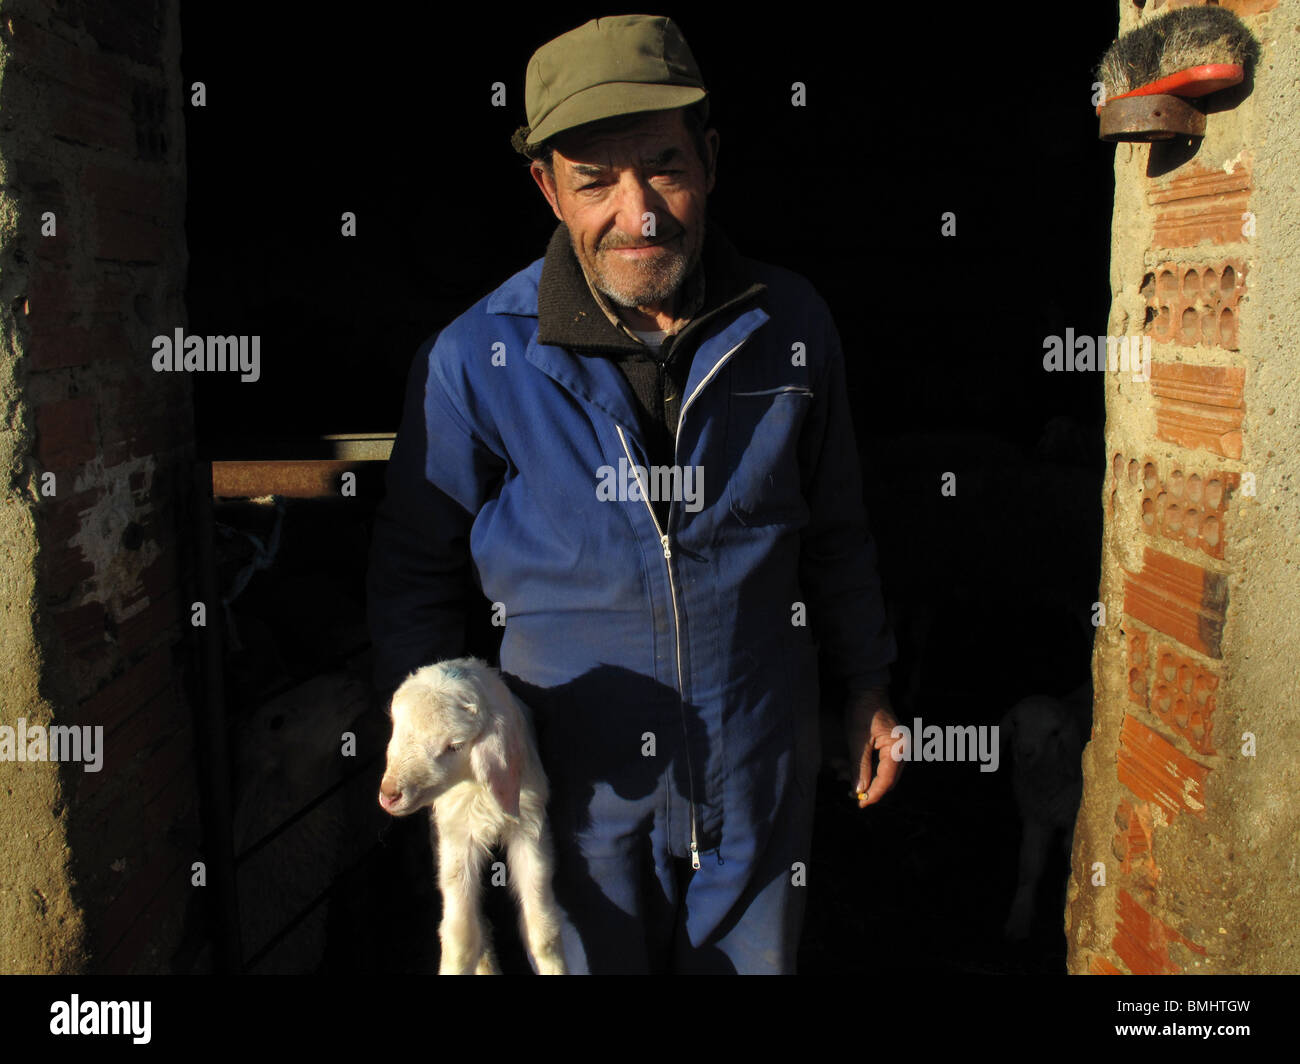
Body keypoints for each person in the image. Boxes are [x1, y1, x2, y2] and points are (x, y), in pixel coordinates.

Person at [367, 14, 901, 974]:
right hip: (570, 777)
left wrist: (866, 682)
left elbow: (837, 526)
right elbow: (416, 571)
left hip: (758, 760)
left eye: (664, 165)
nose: (639, 210)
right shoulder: (475, 358)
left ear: (711, 158)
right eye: (594, 181)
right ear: (547, 189)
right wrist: (435, 750)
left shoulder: (792, 325)